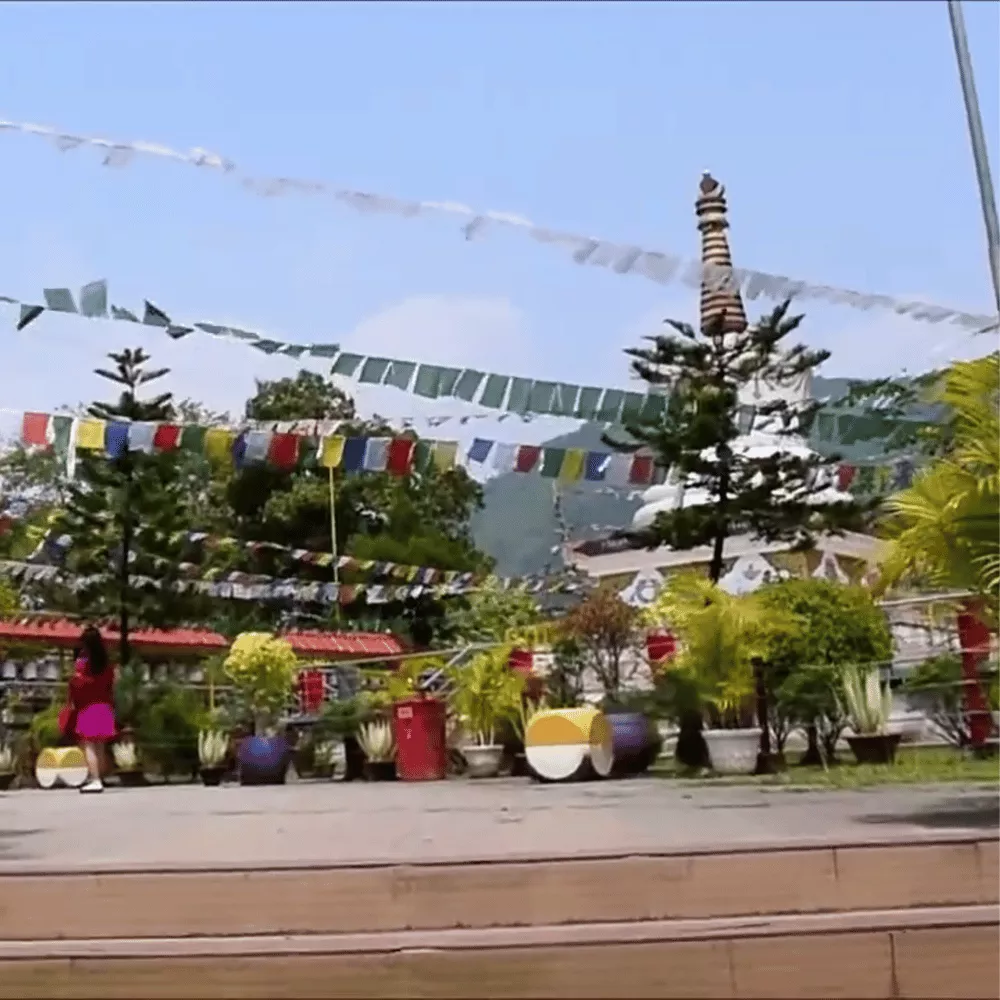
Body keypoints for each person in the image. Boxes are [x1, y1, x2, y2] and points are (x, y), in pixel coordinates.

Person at [66, 625, 117, 794]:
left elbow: (76, 684)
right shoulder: (106, 664)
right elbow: (111, 685)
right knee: (100, 746)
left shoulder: (82, 664)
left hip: (88, 707)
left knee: (89, 745)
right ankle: (99, 777)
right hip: (105, 706)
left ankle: (94, 779)